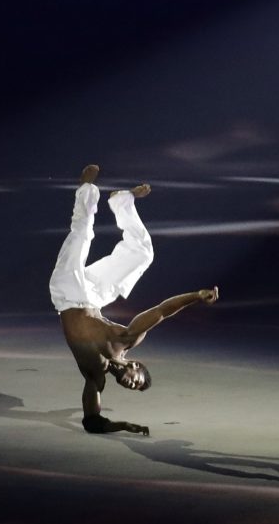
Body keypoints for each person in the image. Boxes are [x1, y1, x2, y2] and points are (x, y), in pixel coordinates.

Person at [49, 164, 219, 435]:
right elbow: (162, 311)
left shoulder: (95, 373)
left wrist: (124, 425)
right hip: (94, 296)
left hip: (67, 293)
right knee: (143, 254)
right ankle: (122, 202)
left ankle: (87, 190)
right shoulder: (126, 339)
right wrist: (196, 296)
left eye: (134, 389)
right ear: (138, 367)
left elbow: (92, 422)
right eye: (139, 383)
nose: (133, 387)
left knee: (82, 235)